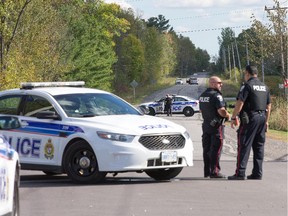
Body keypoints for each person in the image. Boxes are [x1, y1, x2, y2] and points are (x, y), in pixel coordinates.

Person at [228, 65, 271, 180]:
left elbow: (240, 102)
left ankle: (240, 173)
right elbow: (269, 106)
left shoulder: (247, 86)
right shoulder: (264, 86)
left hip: (250, 118)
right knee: (259, 147)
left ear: (247, 73)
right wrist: (266, 121)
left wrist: (233, 117)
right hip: (262, 118)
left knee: (244, 145)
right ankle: (257, 173)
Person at [199, 76, 230, 178]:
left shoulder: (203, 95)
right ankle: (215, 172)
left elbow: (201, 111)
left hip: (206, 125)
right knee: (216, 148)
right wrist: (228, 115)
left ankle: (207, 171)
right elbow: (221, 110)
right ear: (212, 83)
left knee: (206, 149)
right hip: (216, 126)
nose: (221, 85)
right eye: (219, 83)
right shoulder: (217, 96)